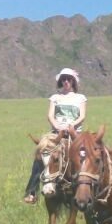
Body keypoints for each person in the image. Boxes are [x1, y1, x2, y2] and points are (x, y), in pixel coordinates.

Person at [23, 68, 87, 204]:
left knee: (85, 157)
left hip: (74, 132)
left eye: (69, 79)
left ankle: (87, 191)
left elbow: (82, 116)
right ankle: (32, 191)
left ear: (73, 81)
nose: (66, 82)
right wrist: (57, 127)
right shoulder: (55, 98)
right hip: (55, 132)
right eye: (63, 79)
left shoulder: (80, 98)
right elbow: (50, 115)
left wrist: (71, 126)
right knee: (41, 155)